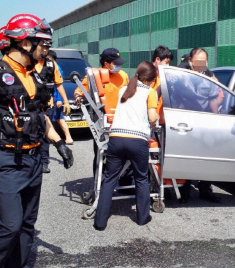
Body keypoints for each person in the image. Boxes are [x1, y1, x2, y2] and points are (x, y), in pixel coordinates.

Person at [0, 14, 74, 268]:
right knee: (9, 227)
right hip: (5, 162)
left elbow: (39, 116)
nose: (46, 49)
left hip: (33, 159)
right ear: (25, 43)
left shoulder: (33, 75)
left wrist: (58, 142)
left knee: (26, 224)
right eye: (42, 43)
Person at [94, 61, 158, 230]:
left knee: (109, 179)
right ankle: (143, 217)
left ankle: (100, 221)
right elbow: (152, 118)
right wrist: (154, 116)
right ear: (150, 79)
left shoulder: (124, 89)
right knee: (141, 178)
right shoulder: (150, 92)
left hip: (116, 138)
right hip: (137, 140)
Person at [74, 47, 129, 177]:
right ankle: (98, 182)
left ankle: (121, 180)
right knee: (101, 153)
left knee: (122, 154)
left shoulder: (123, 76)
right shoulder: (94, 77)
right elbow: (79, 91)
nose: (119, 66)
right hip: (101, 122)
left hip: (121, 121)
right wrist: (78, 97)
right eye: (116, 63)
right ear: (106, 63)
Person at [178, 48, 223, 203]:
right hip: (186, 122)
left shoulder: (210, 75)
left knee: (207, 158)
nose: (200, 64)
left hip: (205, 121)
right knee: (187, 157)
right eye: (197, 60)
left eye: (203, 61)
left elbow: (214, 98)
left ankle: (205, 189)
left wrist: (216, 121)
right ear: (190, 60)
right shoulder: (181, 74)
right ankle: (184, 190)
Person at [35, 39, 71, 173]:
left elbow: (59, 84)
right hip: (29, 108)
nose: (44, 50)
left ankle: (44, 162)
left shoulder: (51, 65)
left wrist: (65, 100)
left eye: (46, 48)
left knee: (45, 137)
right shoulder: (28, 63)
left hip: (47, 107)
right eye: (42, 47)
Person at [48, 50, 74, 145]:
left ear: (50, 58)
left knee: (58, 119)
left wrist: (59, 99)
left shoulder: (56, 68)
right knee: (58, 119)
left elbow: (59, 85)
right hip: (53, 98)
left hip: (55, 98)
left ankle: (66, 138)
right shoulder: (54, 67)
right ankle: (67, 138)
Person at [150, 45, 174, 125]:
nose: (168, 66)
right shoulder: (147, 75)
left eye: (169, 63)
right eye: (166, 63)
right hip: (150, 120)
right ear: (157, 59)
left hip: (162, 120)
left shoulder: (165, 75)